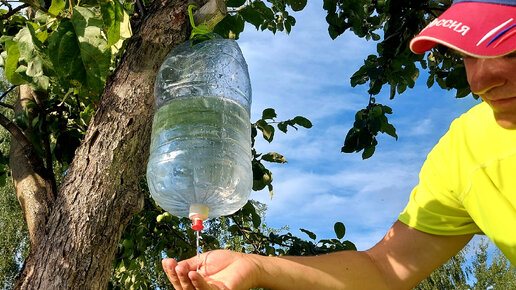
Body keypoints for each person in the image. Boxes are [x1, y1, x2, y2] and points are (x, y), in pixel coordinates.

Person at [162, 0, 516, 288]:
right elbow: (383, 271)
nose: (479, 80)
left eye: (509, 48)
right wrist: (257, 266)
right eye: (469, 52)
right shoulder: (466, 151)